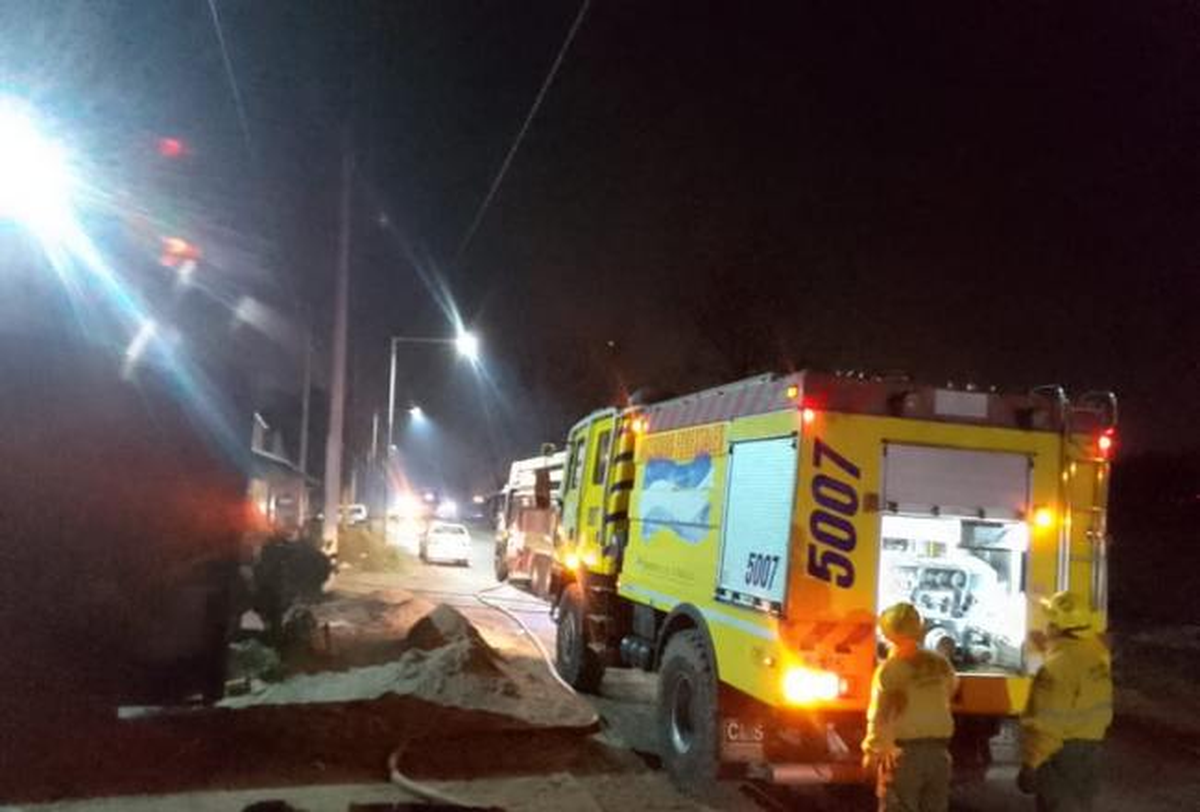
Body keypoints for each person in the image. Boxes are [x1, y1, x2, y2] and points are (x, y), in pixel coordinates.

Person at [1018, 591, 1113, 811]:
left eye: (1049, 621)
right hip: (1090, 750)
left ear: (1057, 627)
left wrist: (1031, 764)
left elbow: (1047, 722)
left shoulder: (1055, 669)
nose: (1046, 626)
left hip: (1060, 756)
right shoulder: (1095, 655)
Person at [863, 602, 959, 812]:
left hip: (904, 756)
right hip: (939, 755)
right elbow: (950, 691)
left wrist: (872, 751)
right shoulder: (940, 663)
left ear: (888, 633)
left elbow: (880, 716)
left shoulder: (890, 670)